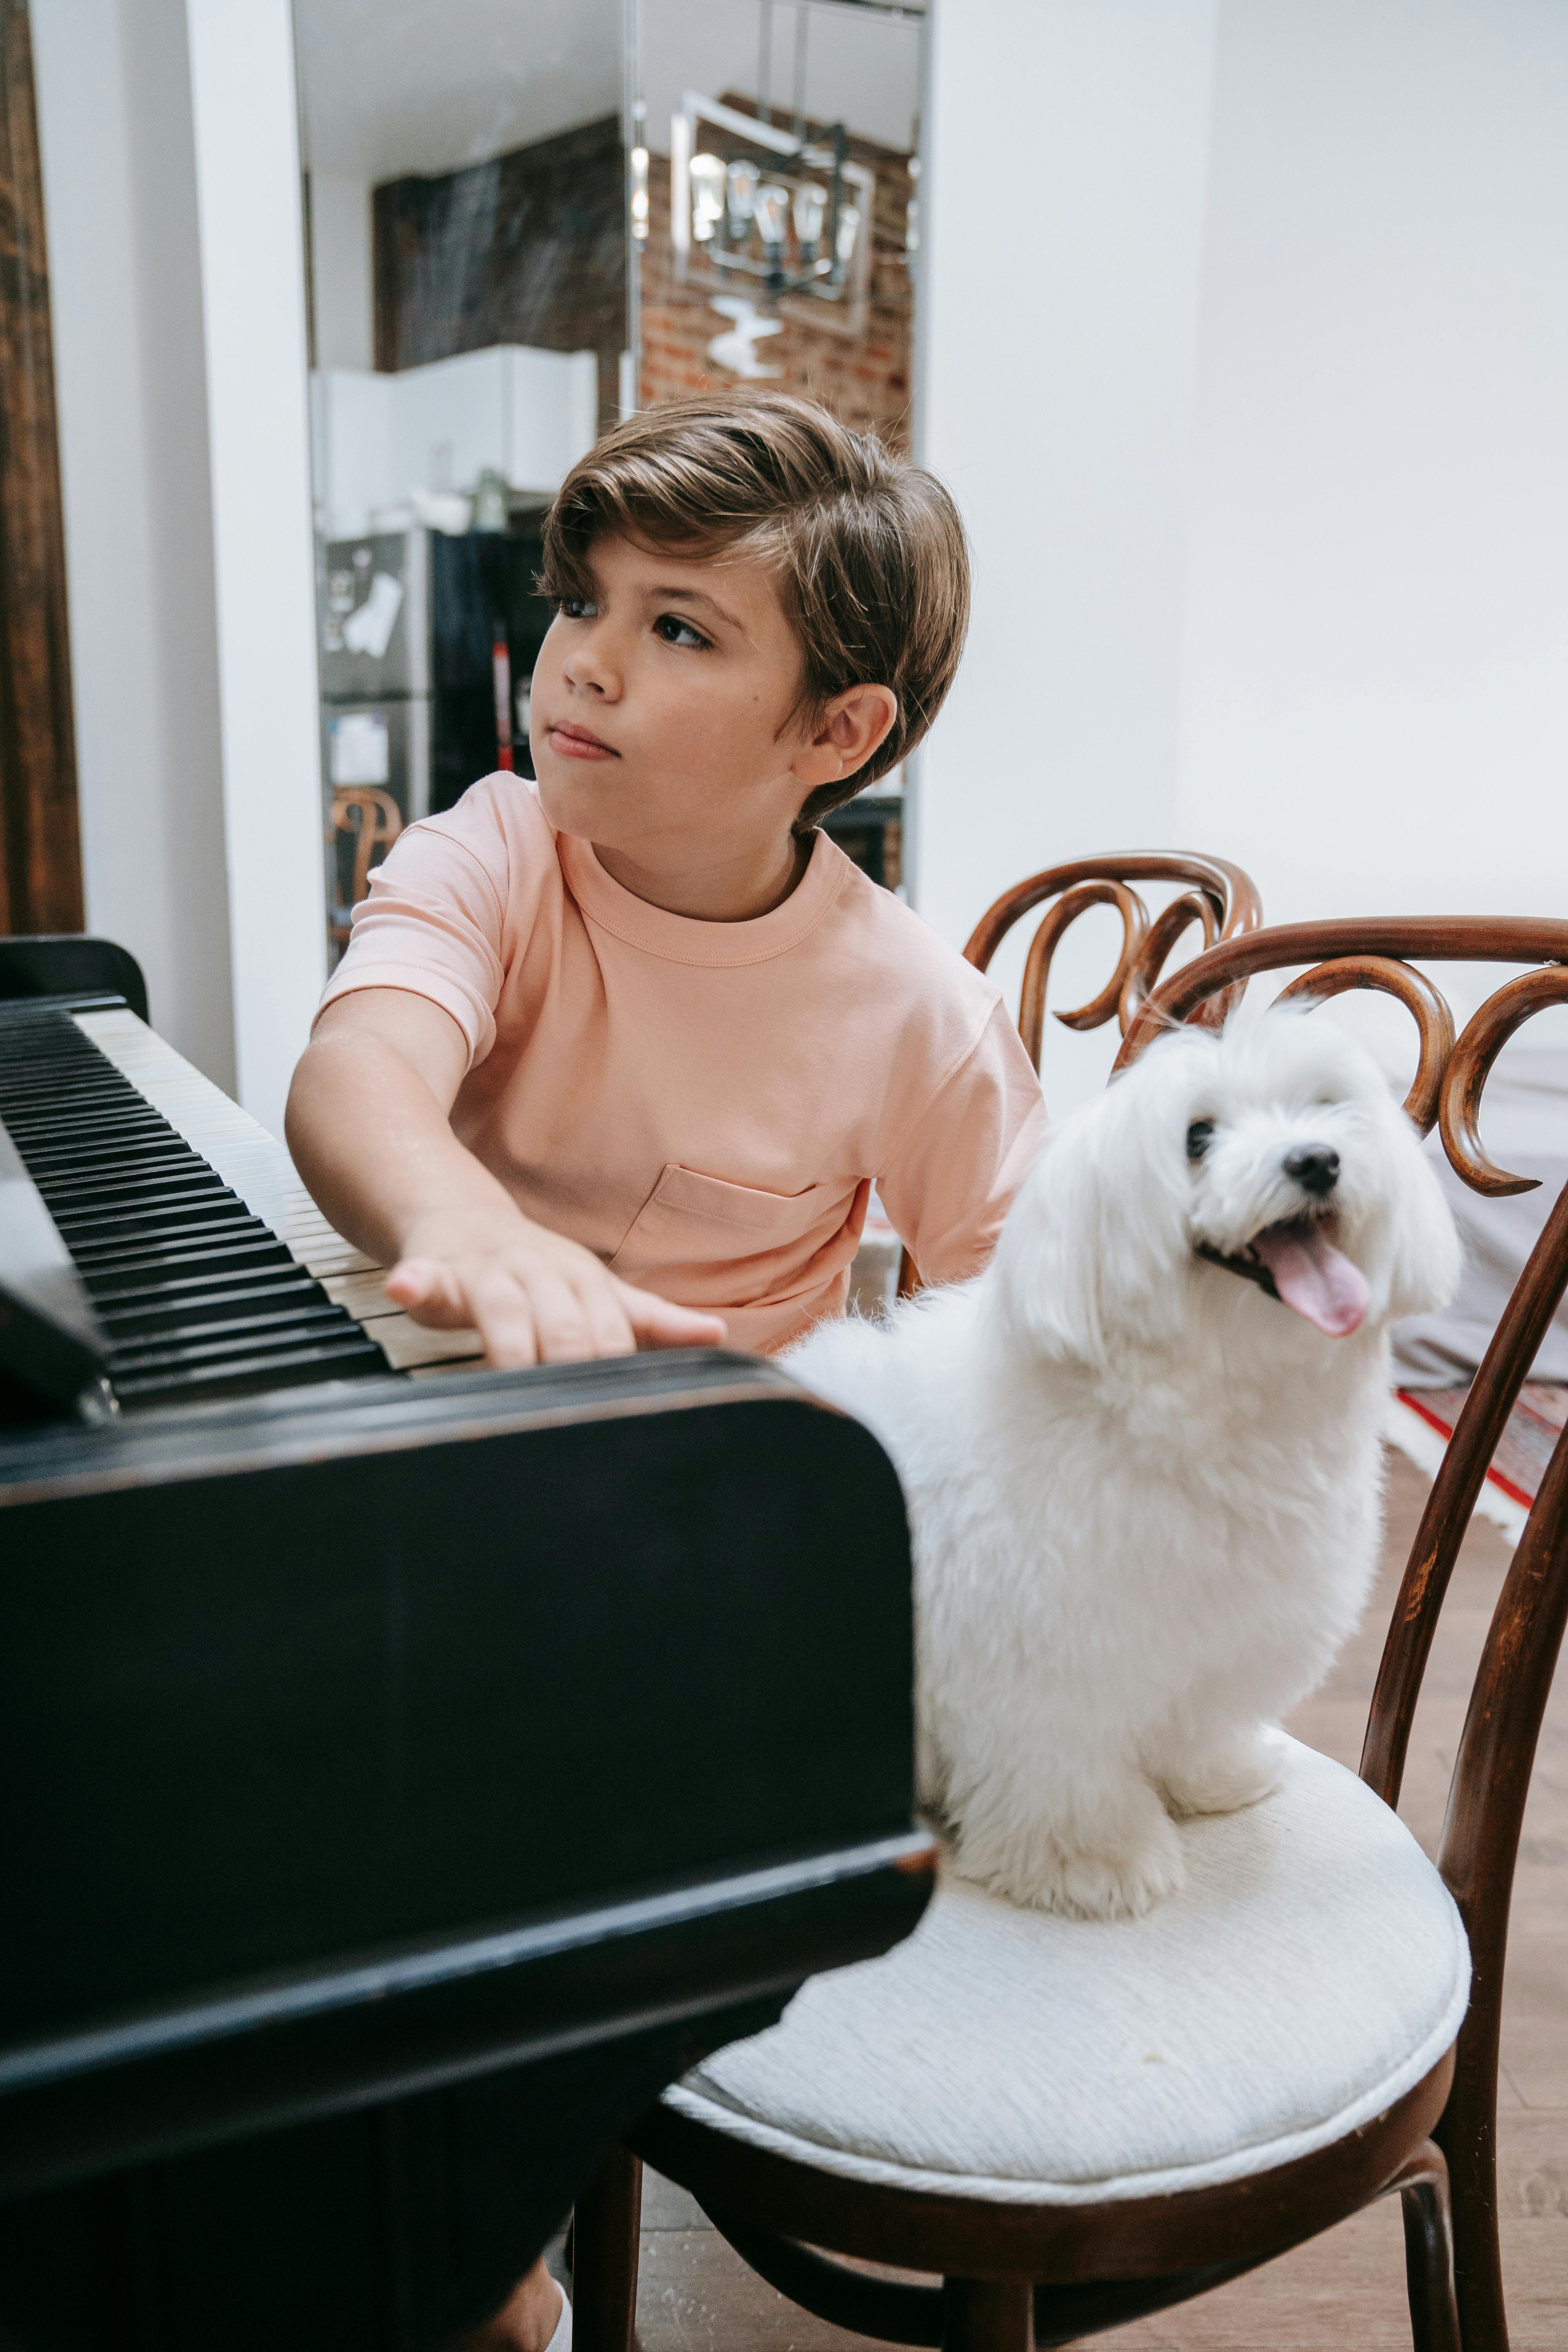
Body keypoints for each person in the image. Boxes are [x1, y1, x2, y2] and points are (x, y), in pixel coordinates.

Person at [285, 390, 1047, 2350]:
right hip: (421, 1477)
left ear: (838, 733)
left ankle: (466, 2248)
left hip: (674, 1546)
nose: (584, 664)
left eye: (681, 626)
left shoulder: (915, 1012)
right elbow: (360, 1067)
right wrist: (461, 1219)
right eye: (582, 603)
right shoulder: (503, 848)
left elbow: (1027, 1349)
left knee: (480, 1796)